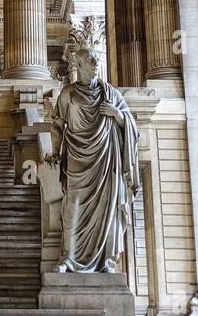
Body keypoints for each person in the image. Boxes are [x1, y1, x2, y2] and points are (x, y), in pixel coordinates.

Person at [46, 18, 139, 273]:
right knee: (73, 207)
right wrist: (55, 152)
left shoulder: (111, 94)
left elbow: (130, 124)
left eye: (97, 59)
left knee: (107, 211)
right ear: (78, 64)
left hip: (106, 158)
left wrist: (118, 116)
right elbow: (57, 126)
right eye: (91, 60)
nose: (97, 64)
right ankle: (68, 257)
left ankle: (107, 260)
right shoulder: (68, 94)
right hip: (77, 159)